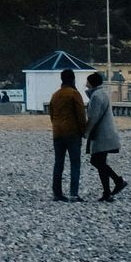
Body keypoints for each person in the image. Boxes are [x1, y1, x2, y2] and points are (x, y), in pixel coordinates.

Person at [84, 71, 127, 200]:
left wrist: (86, 132)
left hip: (101, 135)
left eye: (87, 81)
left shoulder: (96, 96)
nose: (85, 84)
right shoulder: (103, 93)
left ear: (91, 83)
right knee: (100, 162)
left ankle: (117, 182)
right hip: (107, 133)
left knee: (96, 161)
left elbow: (93, 117)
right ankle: (108, 191)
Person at [46, 66, 87, 199]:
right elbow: (80, 114)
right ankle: (73, 193)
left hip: (57, 132)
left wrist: (56, 126)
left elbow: (51, 113)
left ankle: (57, 193)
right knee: (75, 163)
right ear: (73, 79)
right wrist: (83, 130)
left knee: (59, 163)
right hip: (72, 132)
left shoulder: (55, 95)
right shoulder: (74, 94)